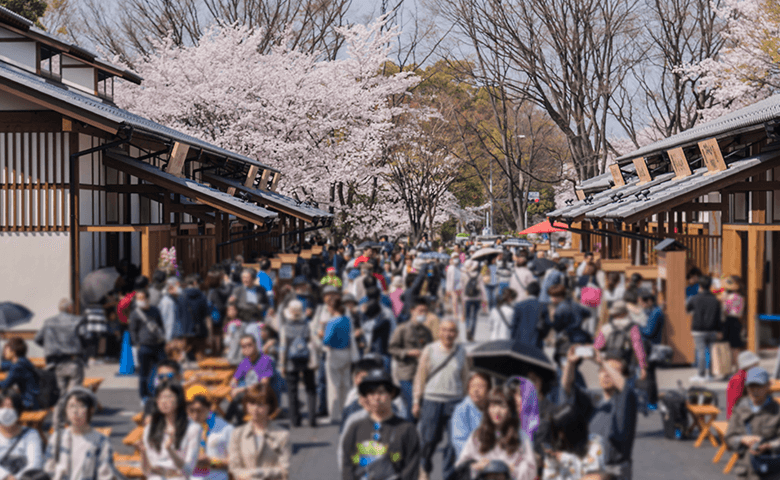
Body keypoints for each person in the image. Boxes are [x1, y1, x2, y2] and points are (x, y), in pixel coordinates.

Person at [561, 347, 637, 480]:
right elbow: (567, 388)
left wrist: (603, 362)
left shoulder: (628, 399)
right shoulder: (592, 399)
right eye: (602, 371)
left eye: (612, 371)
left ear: (622, 376)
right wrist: (570, 363)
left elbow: (625, 387)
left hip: (615, 470)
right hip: (591, 469)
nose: (606, 374)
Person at [413, 320, 470, 480]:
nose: (448, 334)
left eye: (451, 331)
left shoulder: (461, 351)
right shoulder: (429, 350)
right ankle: (424, 467)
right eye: (444, 330)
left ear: (457, 334)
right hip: (432, 400)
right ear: (439, 332)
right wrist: (416, 401)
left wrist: (467, 402)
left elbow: (465, 378)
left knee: (454, 442)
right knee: (429, 440)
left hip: (455, 401)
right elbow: (420, 377)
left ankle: (448, 475)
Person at [340, 368, 421, 480]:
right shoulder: (355, 428)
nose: (376, 397)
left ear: (391, 394)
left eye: (381, 392)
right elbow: (347, 466)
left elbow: (411, 469)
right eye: (371, 393)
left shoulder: (407, 429)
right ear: (366, 396)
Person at [455, 387, 537, 480]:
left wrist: (514, 470)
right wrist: (476, 466)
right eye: (493, 406)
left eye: (502, 406)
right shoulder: (478, 435)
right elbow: (461, 465)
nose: (497, 411)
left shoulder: (520, 435)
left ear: (510, 410)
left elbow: (531, 468)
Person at [44, 388, 115, 480]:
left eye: (81, 406)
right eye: (71, 406)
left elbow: (105, 476)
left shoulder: (101, 442)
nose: (75, 411)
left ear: (91, 410)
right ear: (66, 409)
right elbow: (48, 471)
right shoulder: (58, 437)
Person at [725, 367, 780, 480]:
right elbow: (729, 437)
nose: (754, 390)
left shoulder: (776, 411)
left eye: (759, 386)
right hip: (746, 471)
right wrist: (742, 439)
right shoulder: (740, 409)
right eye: (751, 386)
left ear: (768, 385)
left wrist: (769, 446)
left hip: (771, 470)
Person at [139, 381, 202, 480]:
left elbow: (188, 471)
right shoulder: (150, 428)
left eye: (169, 397)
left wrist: (170, 451)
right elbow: (147, 471)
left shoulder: (193, 429)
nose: (164, 401)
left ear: (179, 399)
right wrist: (143, 453)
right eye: (160, 397)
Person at [228, 383, 289, 480]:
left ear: (270, 406)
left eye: (260, 404)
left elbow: (285, 470)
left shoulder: (282, 435)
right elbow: (234, 467)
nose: (255, 409)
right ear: (246, 405)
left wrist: (259, 473)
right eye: (251, 404)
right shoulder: (237, 433)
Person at [389, 300, 435, 418]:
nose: (423, 314)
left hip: (423, 374)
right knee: (412, 405)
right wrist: (408, 353)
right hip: (407, 373)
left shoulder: (426, 331)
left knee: (419, 406)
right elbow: (392, 349)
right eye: (420, 311)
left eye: (425, 311)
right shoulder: (402, 329)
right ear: (412, 311)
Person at [35, 299, 87, 396]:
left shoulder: (48, 322)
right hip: (73, 360)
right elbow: (85, 336)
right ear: (70, 308)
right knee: (73, 392)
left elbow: (37, 338)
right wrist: (82, 348)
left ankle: (62, 409)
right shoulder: (78, 321)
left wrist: (49, 346)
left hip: (55, 362)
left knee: (60, 394)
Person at [279, 300, 319, 427]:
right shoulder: (307, 325)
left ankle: (295, 420)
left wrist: (282, 364)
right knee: (311, 389)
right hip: (306, 360)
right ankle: (312, 418)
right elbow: (314, 344)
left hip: (291, 361)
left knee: (292, 391)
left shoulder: (285, 327)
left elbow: (283, 347)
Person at [541, 403, 607, 480]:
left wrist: (568, 460)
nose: (560, 436)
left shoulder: (594, 445)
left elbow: (592, 477)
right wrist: (551, 462)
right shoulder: (556, 448)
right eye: (557, 431)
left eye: (562, 431)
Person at [184, 385, 233, 480]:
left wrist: (212, 462)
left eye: (199, 410)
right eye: (191, 411)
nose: (195, 415)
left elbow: (236, 461)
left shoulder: (225, 428)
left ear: (210, 407)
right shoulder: (182, 428)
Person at [592, 301, 647, 382]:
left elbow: (597, 347)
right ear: (625, 313)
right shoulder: (632, 327)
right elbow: (638, 348)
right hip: (627, 366)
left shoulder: (606, 327)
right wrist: (642, 367)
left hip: (610, 364)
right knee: (627, 389)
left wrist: (599, 359)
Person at [225, 335, 273, 425]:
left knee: (238, 400)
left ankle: (228, 422)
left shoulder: (265, 360)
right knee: (236, 399)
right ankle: (232, 423)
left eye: (249, 345)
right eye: (244, 346)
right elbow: (234, 379)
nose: (247, 348)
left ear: (255, 345)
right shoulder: (244, 362)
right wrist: (233, 385)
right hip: (247, 395)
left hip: (261, 395)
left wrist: (241, 389)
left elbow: (263, 384)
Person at [130, 290, 168, 402]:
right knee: (143, 373)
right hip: (144, 346)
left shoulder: (155, 310)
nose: (140, 301)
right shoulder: (135, 313)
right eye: (138, 298)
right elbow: (133, 330)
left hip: (158, 345)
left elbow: (161, 325)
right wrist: (137, 344)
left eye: (142, 298)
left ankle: (160, 391)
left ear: (147, 299)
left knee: (162, 370)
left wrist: (164, 339)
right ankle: (144, 396)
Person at [321, 296, 353, 425]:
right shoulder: (347, 320)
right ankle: (347, 411)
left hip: (334, 353)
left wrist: (320, 334)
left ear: (332, 308)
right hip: (347, 352)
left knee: (334, 385)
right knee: (346, 384)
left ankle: (335, 415)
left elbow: (326, 340)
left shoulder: (332, 322)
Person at [0, 390, 43, 480]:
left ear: (18, 410)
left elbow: (35, 463)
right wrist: (6, 477)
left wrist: (17, 478)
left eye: (10, 407)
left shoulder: (31, 434)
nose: (5, 411)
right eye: (2, 407)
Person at [686, 275, 722, 381]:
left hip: (698, 329)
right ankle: (710, 374)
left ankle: (701, 374)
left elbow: (688, 309)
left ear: (700, 286)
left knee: (701, 351)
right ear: (710, 285)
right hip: (712, 329)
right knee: (711, 351)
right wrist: (719, 330)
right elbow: (718, 316)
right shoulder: (715, 300)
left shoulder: (695, 298)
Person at [450, 372, 492, 459]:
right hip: (471, 459)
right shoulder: (462, 409)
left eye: (481, 386)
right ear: (468, 389)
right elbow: (459, 440)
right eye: (472, 386)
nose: (476, 390)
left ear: (488, 390)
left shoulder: (492, 408)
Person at [637, 292, 664, 409]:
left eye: (643, 302)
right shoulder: (654, 311)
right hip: (650, 345)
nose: (641, 305)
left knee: (649, 375)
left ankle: (651, 401)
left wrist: (637, 327)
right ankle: (652, 399)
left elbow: (649, 332)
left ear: (649, 301)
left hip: (650, 346)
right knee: (650, 374)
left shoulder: (655, 313)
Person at [0, 338, 40, 410]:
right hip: (34, 400)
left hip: (28, 403)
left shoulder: (17, 367)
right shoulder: (23, 361)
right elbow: (7, 365)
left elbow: (6, 384)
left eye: (6, 350)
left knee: (5, 398)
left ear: (13, 352)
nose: (4, 352)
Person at [504, 377, 541, 442]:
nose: (516, 398)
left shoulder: (536, 425)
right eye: (515, 394)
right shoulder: (509, 421)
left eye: (521, 395)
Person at [727, 351, 761, 419]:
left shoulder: (744, 375)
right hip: (737, 417)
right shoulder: (740, 379)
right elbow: (736, 401)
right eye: (756, 364)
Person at [511, 282, 544, 350]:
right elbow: (547, 325)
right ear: (539, 293)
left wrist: (512, 340)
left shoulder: (518, 305)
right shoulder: (543, 307)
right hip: (536, 342)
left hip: (520, 342)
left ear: (527, 292)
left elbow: (514, 325)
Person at [722, 276, 745, 366]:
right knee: (736, 345)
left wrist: (724, 300)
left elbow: (725, 310)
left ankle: (730, 365)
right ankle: (737, 366)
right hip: (737, 321)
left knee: (729, 345)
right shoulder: (741, 297)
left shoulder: (729, 297)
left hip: (729, 320)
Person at [462, 260, 484, 342]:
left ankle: (468, 328)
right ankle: (472, 334)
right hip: (477, 298)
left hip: (467, 298)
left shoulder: (464, 275)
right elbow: (482, 288)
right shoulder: (479, 275)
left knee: (467, 316)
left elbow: (462, 287)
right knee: (474, 317)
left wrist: (462, 298)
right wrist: (484, 299)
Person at [159, 278, 182, 342]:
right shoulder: (168, 302)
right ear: (171, 287)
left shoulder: (174, 299)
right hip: (171, 338)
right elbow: (168, 322)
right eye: (178, 286)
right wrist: (168, 340)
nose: (180, 288)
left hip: (176, 336)